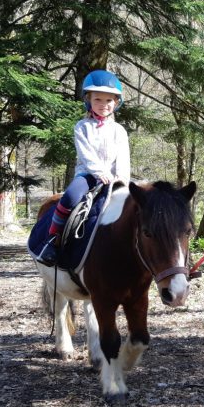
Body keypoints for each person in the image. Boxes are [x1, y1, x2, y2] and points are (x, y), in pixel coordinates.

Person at [36, 69, 131, 266]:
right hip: (88, 175)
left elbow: (123, 157)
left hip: (115, 178)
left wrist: (122, 179)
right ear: (88, 100)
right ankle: (52, 241)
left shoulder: (119, 131)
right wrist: (99, 172)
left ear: (116, 102)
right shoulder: (82, 126)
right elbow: (85, 154)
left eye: (108, 100)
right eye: (98, 99)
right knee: (70, 196)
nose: (103, 105)